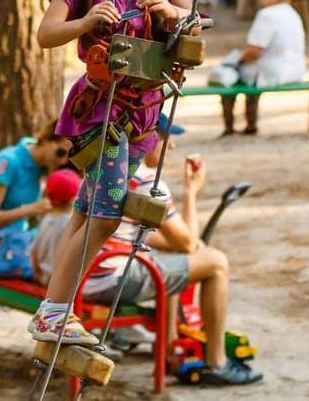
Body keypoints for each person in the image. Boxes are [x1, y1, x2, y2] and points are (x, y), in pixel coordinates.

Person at [29, 0, 193, 348]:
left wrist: (169, 11)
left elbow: (196, 26)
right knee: (106, 213)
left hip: (141, 117)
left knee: (86, 209)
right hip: (98, 113)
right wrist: (83, 22)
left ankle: (52, 309)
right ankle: (56, 312)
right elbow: (45, 33)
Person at [33, 114, 260, 387]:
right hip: (109, 278)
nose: (172, 147)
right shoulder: (149, 182)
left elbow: (160, 242)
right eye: (165, 139)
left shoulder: (106, 169)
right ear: (148, 141)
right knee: (217, 263)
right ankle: (216, 362)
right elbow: (187, 243)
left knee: (173, 263)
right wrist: (191, 191)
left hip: (82, 277)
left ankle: (168, 350)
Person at [0, 125, 74, 274]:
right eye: (60, 153)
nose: (63, 161)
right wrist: (31, 209)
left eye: (68, 156)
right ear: (45, 140)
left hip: (19, 241)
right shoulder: (9, 162)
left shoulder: (43, 167)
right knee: (59, 273)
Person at [217, 0, 305, 136]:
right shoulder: (293, 13)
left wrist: (235, 60)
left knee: (227, 75)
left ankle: (230, 127)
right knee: (249, 74)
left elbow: (255, 52)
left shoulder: (267, 15)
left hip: (272, 72)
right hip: (295, 70)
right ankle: (251, 123)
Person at [29, 168, 87, 283]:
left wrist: (36, 274)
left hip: (42, 277)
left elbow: (33, 251)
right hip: (56, 281)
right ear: (73, 199)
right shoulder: (69, 224)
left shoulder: (46, 219)